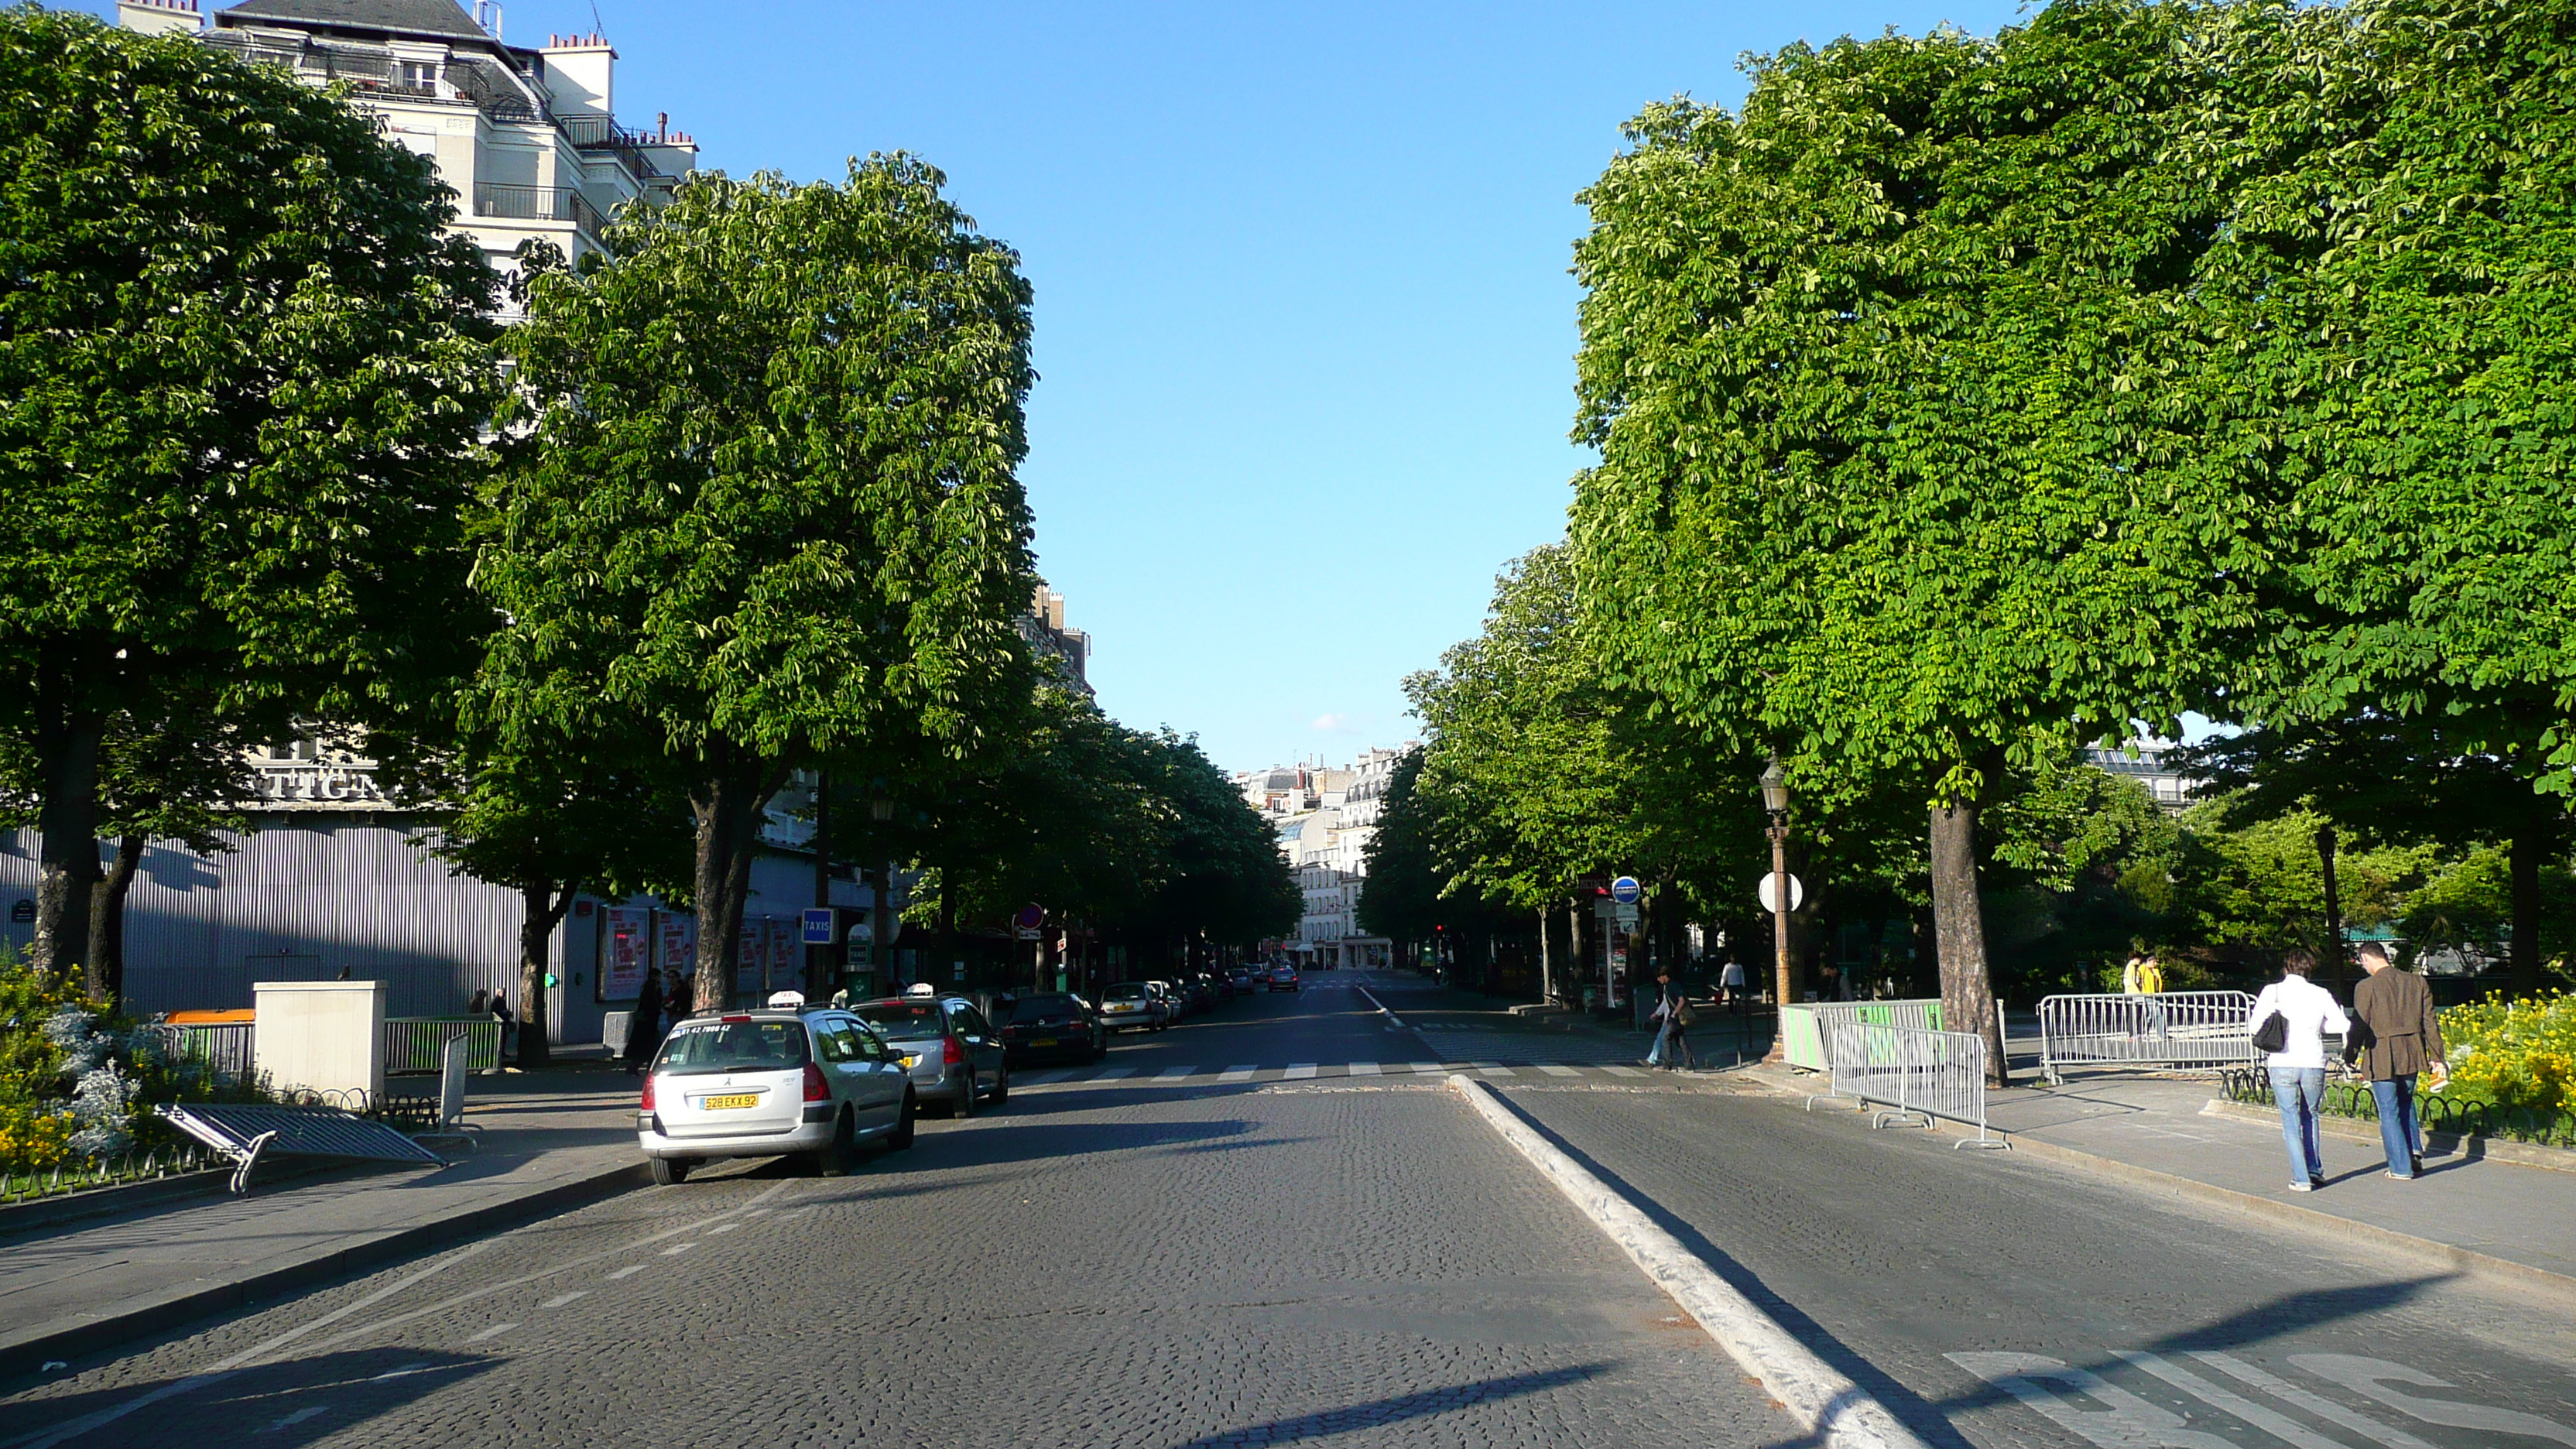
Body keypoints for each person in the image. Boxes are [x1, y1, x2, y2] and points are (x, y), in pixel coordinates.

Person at [2249, 948, 2350, 1192]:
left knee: (2290, 1119)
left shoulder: (2272, 992)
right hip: (2314, 1061)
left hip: (2282, 1061)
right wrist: (2317, 1025)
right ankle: (2315, 1170)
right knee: (2311, 1115)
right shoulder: (2321, 993)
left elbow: (2254, 1027)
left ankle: (2301, 1178)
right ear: (2309, 969)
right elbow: (2342, 1024)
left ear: (2286, 968)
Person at [2350, 940, 2448, 1180]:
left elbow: (2359, 1026)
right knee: (2405, 1102)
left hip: (2381, 1053)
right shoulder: (2417, 982)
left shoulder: (2366, 987)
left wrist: (2350, 1055)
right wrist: (2438, 1057)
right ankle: (2413, 1152)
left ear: (2366, 959)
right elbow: (2430, 1022)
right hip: (2412, 1052)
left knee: (2388, 1110)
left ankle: (2400, 1167)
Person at [624, 968, 663, 1075]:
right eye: (659, 976)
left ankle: (635, 1067)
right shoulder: (653, 989)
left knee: (648, 1047)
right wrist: (661, 1009)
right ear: (654, 976)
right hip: (649, 1023)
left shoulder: (647, 988)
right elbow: (654, 1005)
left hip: (645, 1023)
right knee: (652, 1047)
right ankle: (644, 1068)